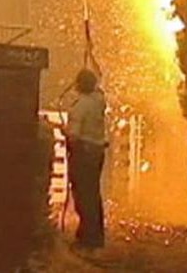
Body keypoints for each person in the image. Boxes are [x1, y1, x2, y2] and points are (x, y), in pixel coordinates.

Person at [65, 68, 107, 251]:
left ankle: (86, 238)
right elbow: (101, 91)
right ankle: (96, 236)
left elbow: (73, 135)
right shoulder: (99, 101)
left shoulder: (80, 106)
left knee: (82, 195)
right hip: (97, 152)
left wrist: (62, 130)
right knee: (93, 194)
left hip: (83, 152)